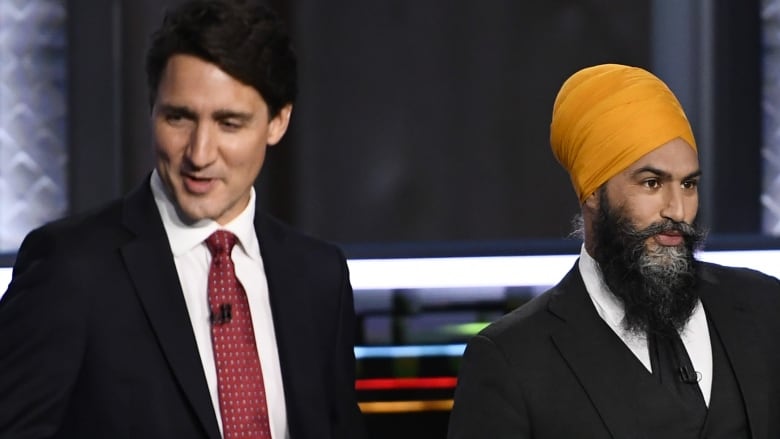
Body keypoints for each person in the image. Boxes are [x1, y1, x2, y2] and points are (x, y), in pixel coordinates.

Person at [0, 1, 365, 438]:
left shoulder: (318, 278)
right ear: (153, 108)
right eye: (179, 118)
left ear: (278, 122)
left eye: (229, 123)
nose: (199, 153)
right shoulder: (70, 268)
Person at [448, 63, 780, 438]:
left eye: (688, 184)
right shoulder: (512, 360)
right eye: (652, 183)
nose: (677, 210)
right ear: (592, 193)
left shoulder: (765, 307)